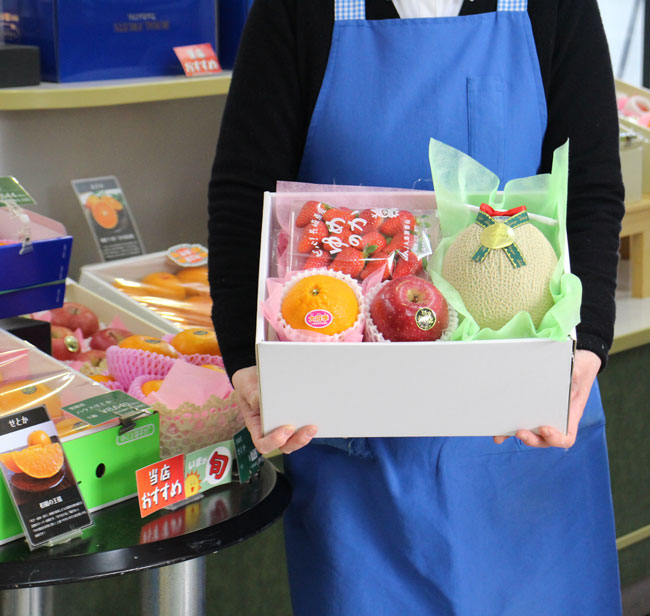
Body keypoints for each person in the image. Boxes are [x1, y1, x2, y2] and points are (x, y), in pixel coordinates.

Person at [208, 0, 625, 613]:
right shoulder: (298, 10)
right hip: (354, 434)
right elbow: (245, 190)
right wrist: (247, 360)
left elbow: (591, 185)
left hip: (522, 427)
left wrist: (587, 343)